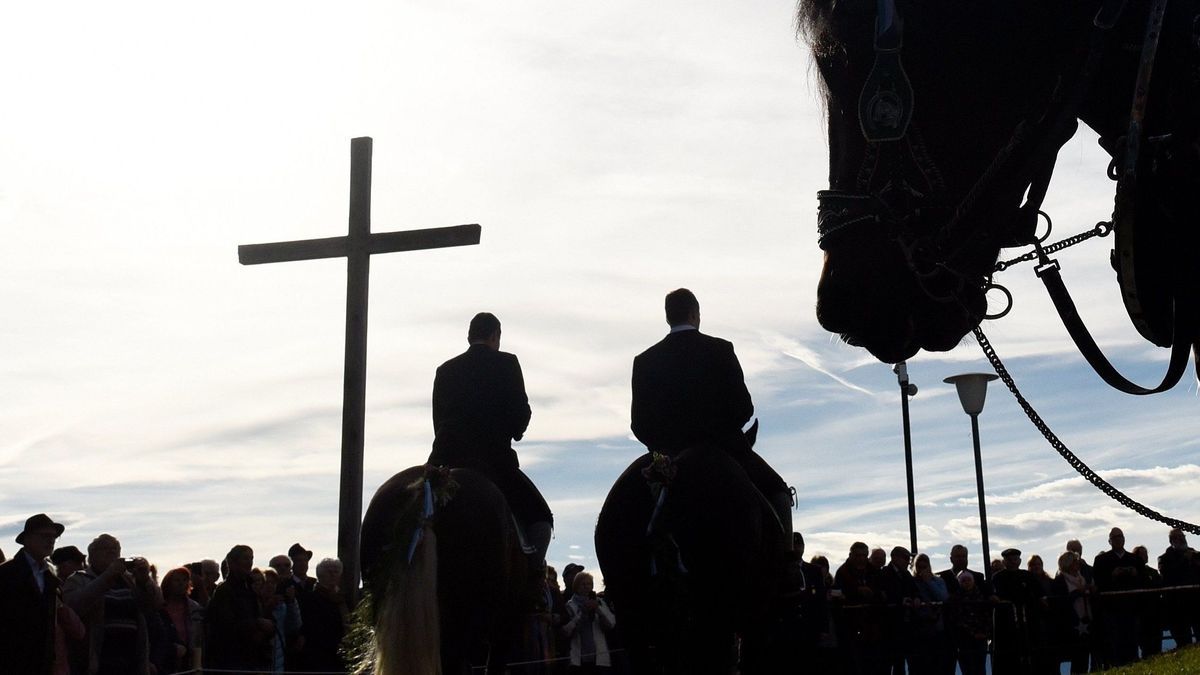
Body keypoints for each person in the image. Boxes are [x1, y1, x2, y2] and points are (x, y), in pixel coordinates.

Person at [630, 288, 792, 540]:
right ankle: (787, 565)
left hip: (668, 456)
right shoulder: (720, 349)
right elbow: (744, 408)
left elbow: (639, 424)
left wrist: (663, 451)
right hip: (724, 448)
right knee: (778, 493)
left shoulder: (644, 361)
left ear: (667, 317)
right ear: (695, 314)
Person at [429, 312, 554, 567]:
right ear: (495, 336)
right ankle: (531, 585)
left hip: (446, 460)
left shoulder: (445, 370)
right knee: (540, 518)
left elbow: (438, 420)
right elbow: (520, 410)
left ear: (469, 336)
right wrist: (517, 430)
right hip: (494, 461)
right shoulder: (507, 363)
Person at [62, 533, 155, 675]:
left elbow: (153, 605)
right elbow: (75, 606)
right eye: (105, 548)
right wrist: (108, 576)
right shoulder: (78, 579)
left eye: (116, 549)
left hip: (131, 660)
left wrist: (145, 581)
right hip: (98, 660)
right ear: (91, 556)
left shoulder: (129, 581)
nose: (112, 552)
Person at [0, 513, 66, 675]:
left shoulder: (51, 579)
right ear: (27, 539)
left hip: (41, 663)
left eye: (53, 536)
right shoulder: (6, 574)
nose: (51, 540)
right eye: (45, 536)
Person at [204, 545, 273, 671]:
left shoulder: (249, 589)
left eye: (251, 558)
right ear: (232, 562)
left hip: (249, 657)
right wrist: (257, 623)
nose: (249, 562)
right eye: (245, 558)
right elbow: (225, 625)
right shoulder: (224, 591)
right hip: (229, 659)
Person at [1093, 527, 1141, 667]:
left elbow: (1143, 580)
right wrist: (1112, 575)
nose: (1118, 539)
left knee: (1132, 639)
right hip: (1112, 608)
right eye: (1115, 537)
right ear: (1110, 541)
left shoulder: (1134, 559)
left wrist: (1135, 574)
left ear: (1124, 539)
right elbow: (1098, 582)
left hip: (1131, 606)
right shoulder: (1101, 560)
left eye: (1120, 536)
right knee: (1115, 641)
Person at [562, 572, 616, 673]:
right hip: (578, 658)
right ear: (576, 587)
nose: (587, 587)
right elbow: (566, 631)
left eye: (589, 584)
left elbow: (611, 624)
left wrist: (598, 610)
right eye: (583, 584)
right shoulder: (570, 605)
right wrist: (581, 614)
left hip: (599, 657)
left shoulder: (599, 602)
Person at [1050, 551, 1093, 675]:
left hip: (1085, 619)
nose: (1077, 563)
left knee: (1084, 656)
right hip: (1070, 623)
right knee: (1075, 654)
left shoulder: (1082, 578)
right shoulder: (1059, 581)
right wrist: (1076, 593)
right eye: (1074, 561)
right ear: (1068, 563)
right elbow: (1060, 602)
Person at [910, 553, 954, 675]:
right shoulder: (912, 582)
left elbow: (943, 597)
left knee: (937, 665)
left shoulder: (938, 581)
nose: (922, 570)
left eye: (925, 567)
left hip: (937, 627)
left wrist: (929, 582)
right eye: (919, 567)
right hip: (919, 628)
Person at [303, 558, 349, 673]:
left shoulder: (344, 598)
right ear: (321, 575)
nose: (333, 575)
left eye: (336, 571)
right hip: (320, 654)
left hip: (343, 652)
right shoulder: (312, 598)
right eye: (329, 572)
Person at [1157, 528, 1200, 647]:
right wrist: (1185, 560)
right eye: (1177, 537)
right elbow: (1168, 575)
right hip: (1177, 605)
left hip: (1196, 602)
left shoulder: (1195, 554)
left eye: (1182, 537)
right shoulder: (1164, 558)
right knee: (1184, 641)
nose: (1181, 539)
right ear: (1171, 541)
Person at [159, 567, 202, 674]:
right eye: (177, 580)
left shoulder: (194, 607)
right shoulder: (160, 607)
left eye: (184, 580)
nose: (181, 583)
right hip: (165, 658)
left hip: (189, 659)